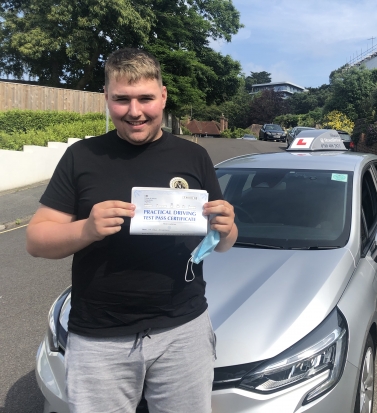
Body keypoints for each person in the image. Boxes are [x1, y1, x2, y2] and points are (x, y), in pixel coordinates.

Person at [26, 48, 237, 413]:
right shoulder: (82, 157)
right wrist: (87, 229)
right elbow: (36, 240)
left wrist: (227, 226)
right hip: (99, 336)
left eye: (145, 98)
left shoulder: (194, 157)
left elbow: (222, 243)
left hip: (183, 330)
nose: (135, 111)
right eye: (122, 99)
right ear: (106, 98)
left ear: (163, 96)